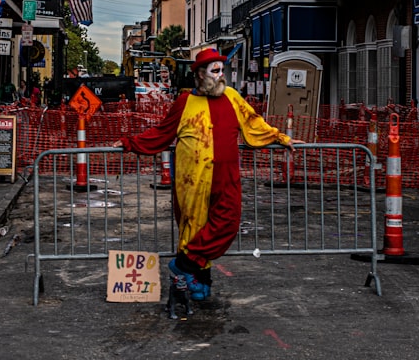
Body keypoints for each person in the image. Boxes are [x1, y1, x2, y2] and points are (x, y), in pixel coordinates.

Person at [113, 48, 303, 302]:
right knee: (193, 226)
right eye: (215, 71)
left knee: (228, 221)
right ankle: (199, 282)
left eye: (222, 70)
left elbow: (254, 123)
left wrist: (280, 138)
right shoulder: (184, 102)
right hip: (192, 178)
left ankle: (183, 265)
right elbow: (162, 132)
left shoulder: (233, 97)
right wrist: (129, 143)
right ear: (201, 74)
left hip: (226, 175)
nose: (220, 75)